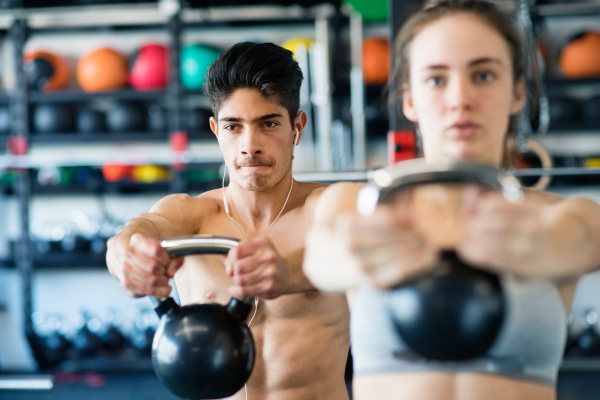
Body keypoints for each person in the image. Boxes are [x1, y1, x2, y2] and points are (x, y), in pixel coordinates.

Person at [303, 1, 600, 400]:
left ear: (516, 92)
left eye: (483, 75)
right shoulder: (360, 206)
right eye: (437, 79)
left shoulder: (557, 216)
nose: (460, 98)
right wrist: (345, 255)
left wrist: (548, 244)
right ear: (409, 99)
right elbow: (322, 256)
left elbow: (585, 234)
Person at [106, 42, 350, 400]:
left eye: (268, 124)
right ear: (216, 130)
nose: (249, 145)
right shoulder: (192, 215)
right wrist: (128, 255)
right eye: (234, 126)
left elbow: (363, 241)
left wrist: (291, 272)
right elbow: (139, 231)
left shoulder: (328, 208)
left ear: (297, 127)